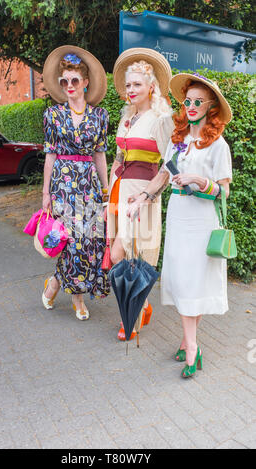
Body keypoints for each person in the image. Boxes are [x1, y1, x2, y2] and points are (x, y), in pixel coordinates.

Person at [127, 73, 233, 378]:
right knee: (185, 283)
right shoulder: (179, 139)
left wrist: (202, 181)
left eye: (198, 101)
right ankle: (189, 342)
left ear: (211, 106)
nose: (191, 106)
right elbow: (163, 175)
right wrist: (142, 199)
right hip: (177, 216)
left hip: (201, 220)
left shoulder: (218, 146)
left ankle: (192, 349)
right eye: (187, 101)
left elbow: (223, 191)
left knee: (193, 283)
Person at [108, 48, 174, 341]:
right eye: (128, 85)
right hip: (121, 193)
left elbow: (171, 165)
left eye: (137, 84)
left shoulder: (161, 120)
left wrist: (147, 196)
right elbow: (118, 159)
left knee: (133, 255)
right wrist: (108, 195)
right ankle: (142, 305)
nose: (131, 90)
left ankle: (130, 317)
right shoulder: (126, 119)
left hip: (143, 195)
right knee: (118, 255)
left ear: (151, 87)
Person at [41, 45, 110, 320]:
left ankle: (55, 283)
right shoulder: (53, 115)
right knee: (71, 241)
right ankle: (78, 300)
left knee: (89, 241)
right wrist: (45, 192)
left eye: (74, 80)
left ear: (86, 82)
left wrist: (106, 191)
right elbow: (49, 155)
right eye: (64, 81)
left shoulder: (100, 116)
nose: (69, 86)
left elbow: (101, 155)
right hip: (62, 185)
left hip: (89, 185)